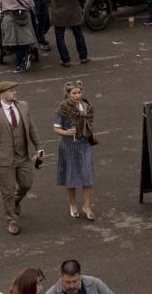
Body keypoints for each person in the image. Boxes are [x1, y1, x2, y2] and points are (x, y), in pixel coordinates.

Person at [0, 81, 44, 235]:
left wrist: (39, 147)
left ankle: (16, 202)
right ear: (3, 94)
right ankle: (11, 220)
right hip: (4, 160)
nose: (15, 93)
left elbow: (31, 127)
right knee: (8, 190)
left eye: (15, 90)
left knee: (26, 184)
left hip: (24, 155)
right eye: (12, 91)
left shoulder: (24, 106)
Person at [53, 81, 96, 221]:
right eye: (74, 93)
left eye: (79, 92)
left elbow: (90, 122)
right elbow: (56, 129)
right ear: (68, 94)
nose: (77, 95)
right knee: (70, 177)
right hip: (69, 146)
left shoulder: (86, 106)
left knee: (87, 177)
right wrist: (66, 132)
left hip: (84, 145)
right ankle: (73, 206)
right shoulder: (62, 108)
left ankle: (87, 207)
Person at [44, 0, 89, 68]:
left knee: (60, 37)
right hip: (73, 13)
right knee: (78, 34)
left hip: (58, 14)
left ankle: (66, 60)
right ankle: (83, 57)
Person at [0, 0, 38, 72]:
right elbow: (31, 4)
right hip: (24, 17)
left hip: (9, 18)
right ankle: (23, 58)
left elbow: (0, 4)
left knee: (13, 41)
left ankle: (19, 64)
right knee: (23, 41)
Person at [44, 260, 114, 294]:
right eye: (68, 282)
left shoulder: (95, 283)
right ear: (61, 277)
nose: (72, 286)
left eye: (75, 281)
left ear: (80, 275)